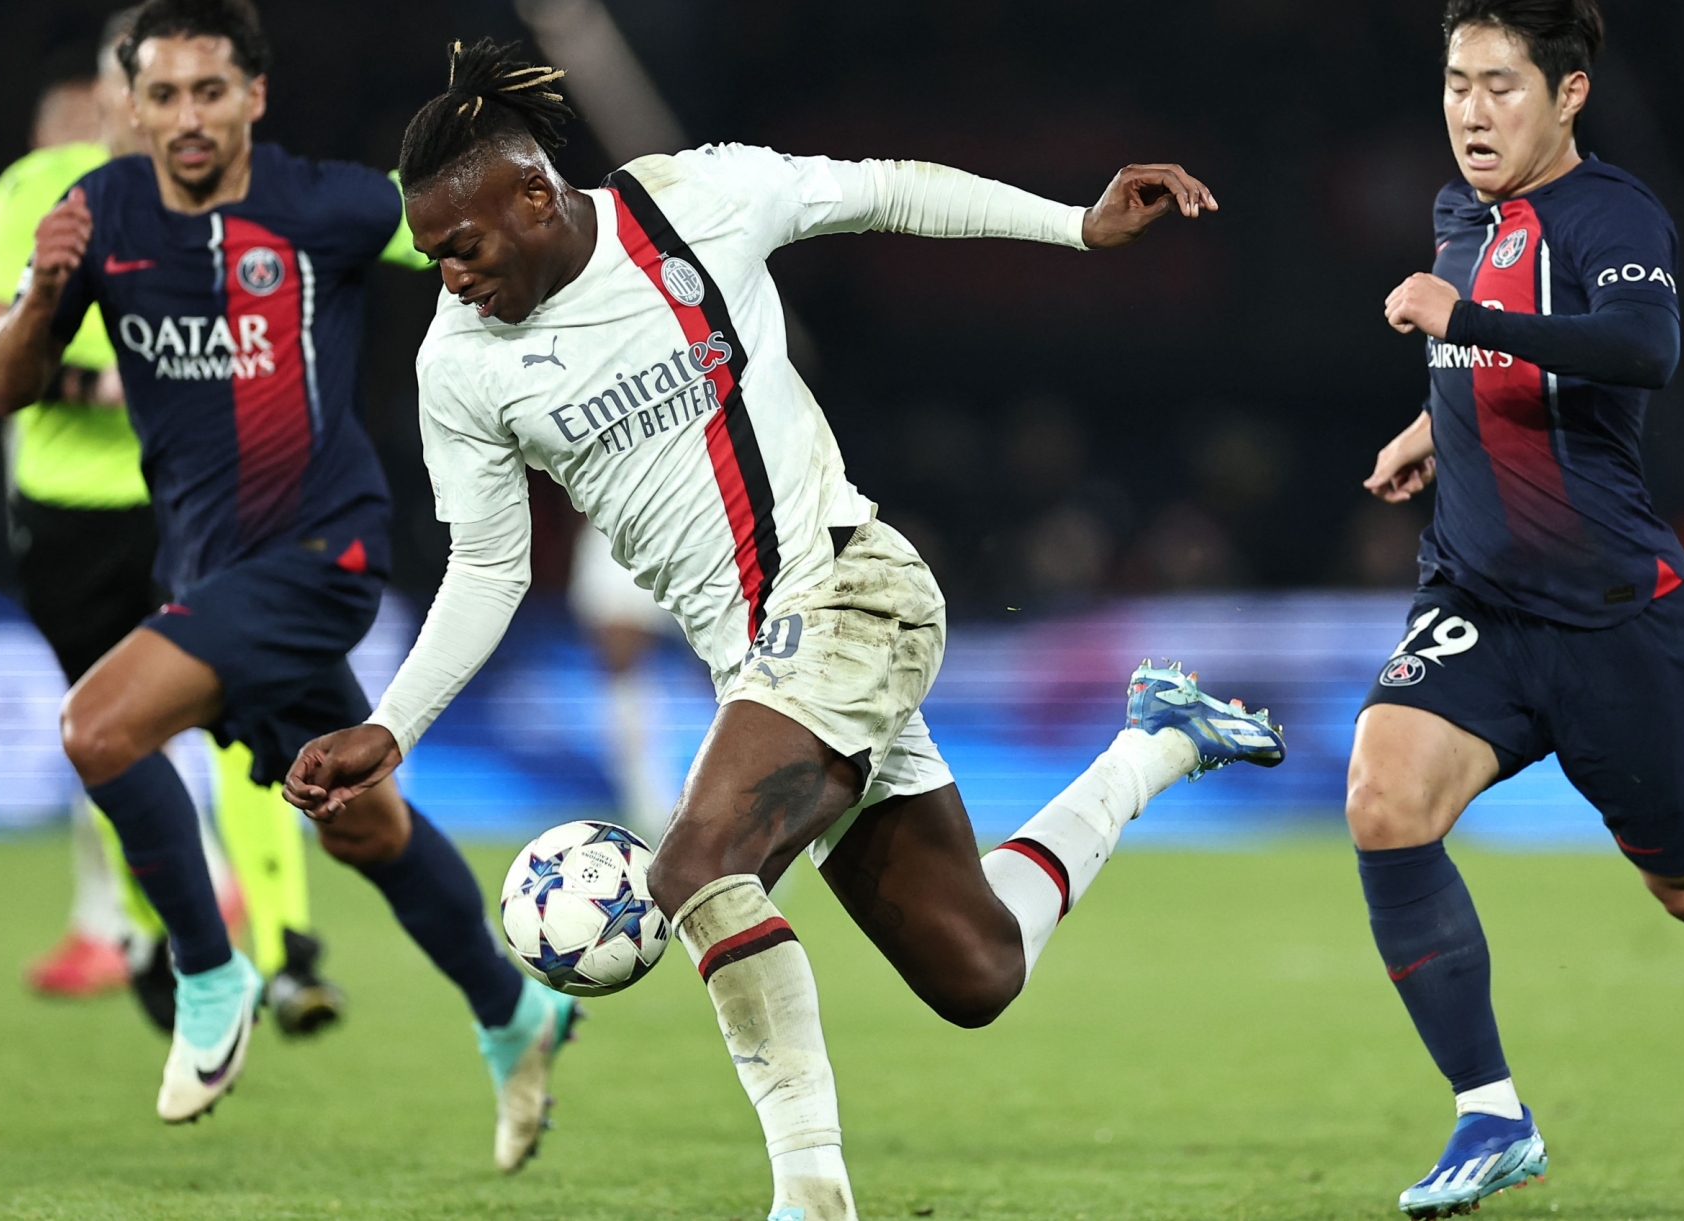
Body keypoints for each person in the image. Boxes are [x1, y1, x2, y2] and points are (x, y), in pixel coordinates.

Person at [283, 38, 1285, 1221]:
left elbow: (886, 186)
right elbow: (491, 567)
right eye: (431, 255)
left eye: (465, 246)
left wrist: (1075, 225)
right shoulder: (458, 368)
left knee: (695, 867)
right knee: (977, 969)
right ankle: (1155, 744)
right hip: (760, 667)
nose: (449, 275)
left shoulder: (693, 202)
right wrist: (390, 727)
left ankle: (813, 1200)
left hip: (852, 592)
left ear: (534, 197)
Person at [0, 0, 576, 1158]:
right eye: (163, 95)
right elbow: (4, 386)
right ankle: (516, 1011)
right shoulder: (99, 216)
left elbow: (485, 239)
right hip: (206, 569)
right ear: (131, 105)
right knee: (362, 826)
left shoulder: (325, 206)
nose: (187, 117)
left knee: (97, 730)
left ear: (255, 95)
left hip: (324, 553)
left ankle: (208, 975)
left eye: (210, 92)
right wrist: (46, 292)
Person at [1353, 2, 1684, 1214]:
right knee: (1385, 796)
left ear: (1570, 93)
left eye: (1500, 85)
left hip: (1613, 613)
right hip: (1479, 597)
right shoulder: (1461, 216)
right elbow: (1487, 368)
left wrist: (1464, 322)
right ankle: (1489, 1114)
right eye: (1455, 83)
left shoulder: (1616, 215)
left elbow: (1641, 347)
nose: (1471, 112)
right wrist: (1431, 429)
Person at [0, 8, 347, 1038]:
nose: (169, 103)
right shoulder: (37, 194)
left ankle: (288, 950)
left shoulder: (249, 199)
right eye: (150, 83)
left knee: (249, 718)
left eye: (193, 83)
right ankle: (147, 934)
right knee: (119, 739)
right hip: (72, 520)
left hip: (205, 511)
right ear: (115, 90)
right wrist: (95, 382)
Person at [570, 520, 684, 841]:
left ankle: (749, 812)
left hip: (699, 511)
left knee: (734, 657)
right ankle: (652, 810)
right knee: (620, 659)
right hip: (617, 513)